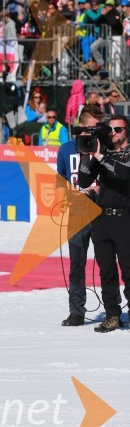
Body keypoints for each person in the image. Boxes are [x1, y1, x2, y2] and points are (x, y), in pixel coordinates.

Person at [77, 114, 130, 332]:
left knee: (128, 270)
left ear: (127, 131)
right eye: (111, 129)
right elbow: (83, 180)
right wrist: (87, 154)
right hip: (102, 219)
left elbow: (124, 174)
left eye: (119, 129)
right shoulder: (103, 154)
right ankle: (112, 314)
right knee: (106, 271)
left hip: (126, 219)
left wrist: (101, 157)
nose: (114, 133)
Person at [56, 105, 102, 326]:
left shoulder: (105, 148)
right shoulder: (65, 150)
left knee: (108, 263)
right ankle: (76, 312)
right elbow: (60, 179)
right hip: (76, 213)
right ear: (81, 127)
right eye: (92, 128)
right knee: (77, 264)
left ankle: (113, 310)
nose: (95, 132)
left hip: (103, 212)